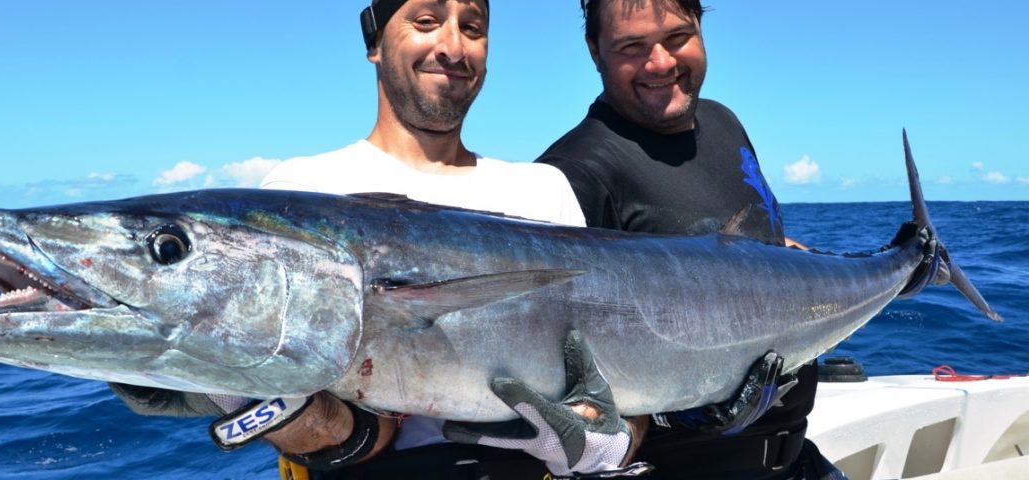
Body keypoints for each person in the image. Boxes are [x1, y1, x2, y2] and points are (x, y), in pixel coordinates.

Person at [115, 1, 649, 479]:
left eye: (473, 26)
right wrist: (255, 396)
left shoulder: (545, 190)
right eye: (425, 20)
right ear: (374, 42)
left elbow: (625, 371)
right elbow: (335, 430)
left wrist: (605, 445)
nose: (452, 46)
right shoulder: (304, 190)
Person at [535, 1, 846, 479]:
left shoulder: (721, 121)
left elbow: (757, 250)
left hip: (801, 461)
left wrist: (881, 269)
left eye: (677, 37)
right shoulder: (572, 175)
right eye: (631, 47)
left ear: (701, 27)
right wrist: (672, 413)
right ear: (595, 51)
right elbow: (569, 394)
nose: (661, 63)